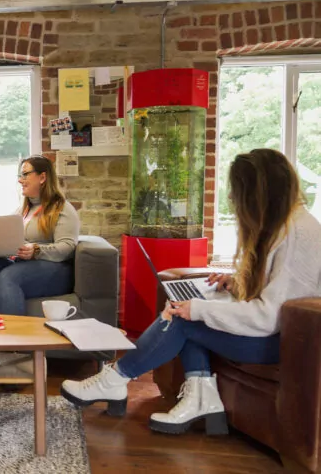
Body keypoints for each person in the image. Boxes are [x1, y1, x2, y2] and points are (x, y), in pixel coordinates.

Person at [61, 149, 321, 435]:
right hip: (271, 336)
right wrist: (236, 282)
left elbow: (269, 317)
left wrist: (197, 310)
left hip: (280, 344)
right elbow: (277, 291)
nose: (232, 200)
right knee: (192, 311)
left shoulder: (297, 233)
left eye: (236, 192)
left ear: (258, 192)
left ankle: (114, 380)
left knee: (185, 318)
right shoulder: (284, 224)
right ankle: (202, 399)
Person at [0, 155, 79, 315]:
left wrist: (36, 250)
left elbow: (67, 247)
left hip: (55, 269)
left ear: (42, 177)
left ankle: (14, 337)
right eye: (19, 176)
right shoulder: (22, 210)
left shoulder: (62, 208)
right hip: (22, 263)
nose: (20, 180)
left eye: (25, 174)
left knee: (9, 276)